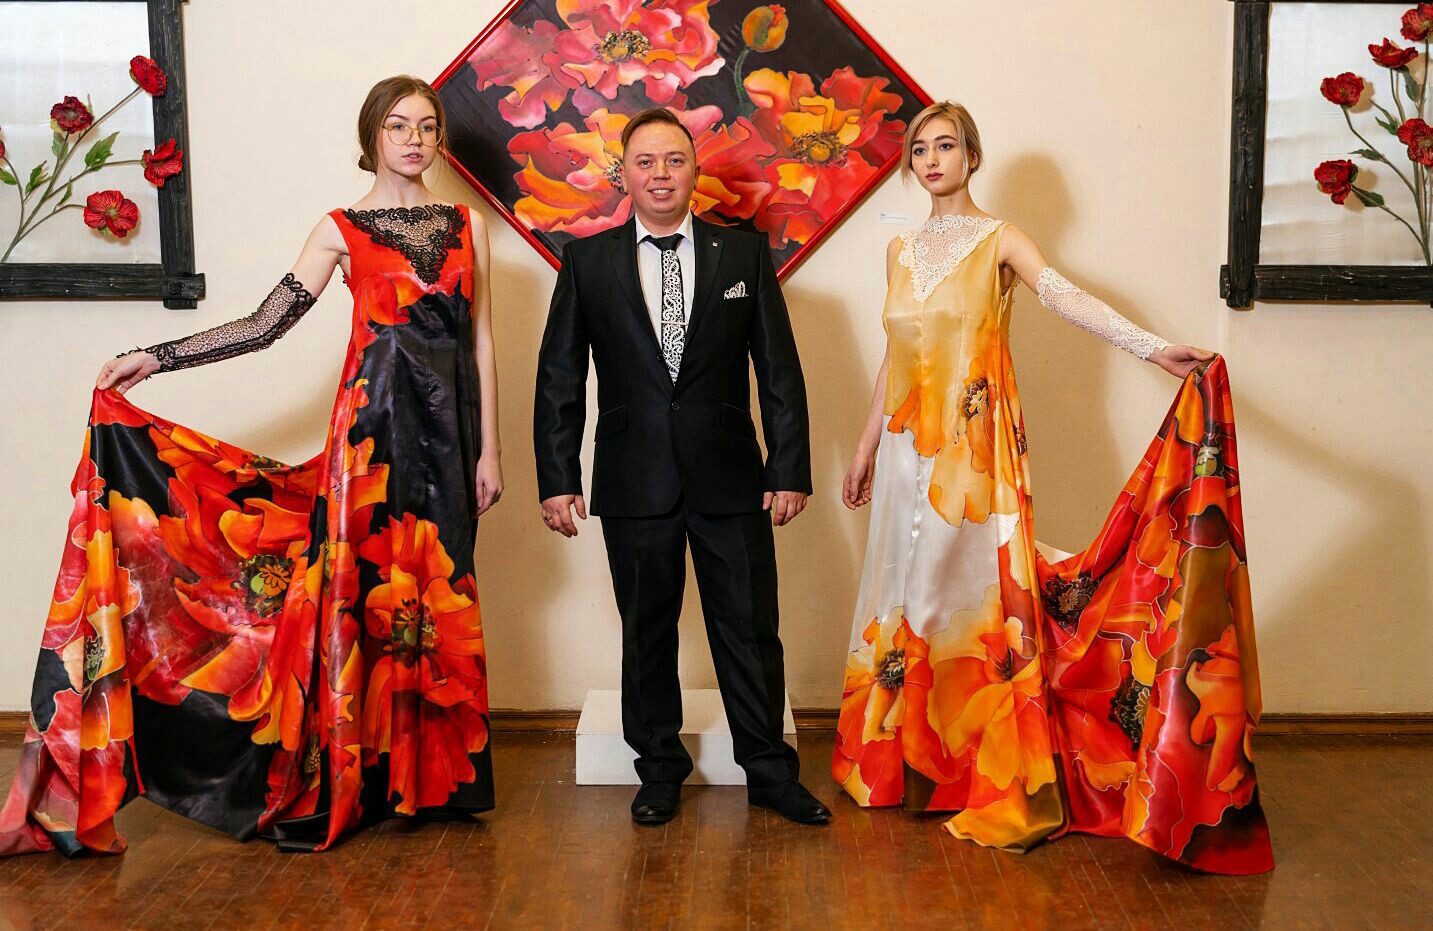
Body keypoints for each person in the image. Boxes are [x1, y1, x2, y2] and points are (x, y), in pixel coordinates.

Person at [0, 75, 502, 856]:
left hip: (449, 440)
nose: (414, 139)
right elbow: (265, 324)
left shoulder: (469, 225)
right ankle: (359, 780)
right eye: (398, 125)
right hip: (370, 438)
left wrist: (489, 449)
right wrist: (157, 356)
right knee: (363, 596)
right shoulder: (340, 228)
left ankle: (431, 782)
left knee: (434, 597)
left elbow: (481, 341)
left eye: (427, 125)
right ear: (371, 136)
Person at [832, 101, 1274, 874]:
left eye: (946, 146)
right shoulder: (898, 250)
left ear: (972, 157)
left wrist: (1149, 348)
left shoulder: (999, 238)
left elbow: (1064, 296)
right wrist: (867, 445)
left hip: (973, 452)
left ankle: (976, 769)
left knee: (965, 600)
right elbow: (894, 356)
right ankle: (907, 763)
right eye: (919, 149)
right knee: (902, 595)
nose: (931, 159)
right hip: (905, 454)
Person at [533, 107, 828, 826]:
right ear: (623, 175)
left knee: (749, 628)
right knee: (646, 633)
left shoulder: (743, 255)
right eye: (645, 162)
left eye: (673, 160)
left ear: (695, 170)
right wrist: (558, 478)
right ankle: (659, 771)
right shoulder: (587, 262)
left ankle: (770, 773)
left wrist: (788, 468)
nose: (660, 174)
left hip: (731, 476)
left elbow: (779, 370)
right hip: (632, 478)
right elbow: (559, 378)